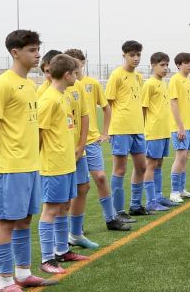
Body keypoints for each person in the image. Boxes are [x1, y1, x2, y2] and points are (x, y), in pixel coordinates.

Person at [0, 29, 54, 292]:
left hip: (31, 164)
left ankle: (23, 274)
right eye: (32, 50)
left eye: (37, 49)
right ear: (15, 52)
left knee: (25, 220)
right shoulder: (3, 85)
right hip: (9, 166)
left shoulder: (30, 85)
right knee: (6, 222)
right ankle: (4, 283)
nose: (37, 55)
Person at [35, 54, 84, 276]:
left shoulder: (63, 96)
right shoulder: (48, 99)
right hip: (53, 165)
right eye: (75, 72)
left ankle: (62, 250)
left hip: (68, 163)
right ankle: (47, 258)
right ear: (67, 75)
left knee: (64, 206)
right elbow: (38, 133)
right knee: (51, 210)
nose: (78, 76)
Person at [63, 49, 119, 243]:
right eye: (72, 62)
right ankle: (76, 227)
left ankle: (111, 218)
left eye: (79, 62)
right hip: (72, 142)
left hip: (91, 140)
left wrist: (105, 132)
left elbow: (106, 108)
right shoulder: (64, 87)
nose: (76, 66)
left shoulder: (92, 84)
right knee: (77, 187)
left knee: (100, 178)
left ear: (83, 64)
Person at [105, 41, 149, 215]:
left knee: (142, 167)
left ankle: (135, 206)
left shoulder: (138, 77)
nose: (135, 58)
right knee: (120, 170)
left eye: (138, 54)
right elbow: (108, 104)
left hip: (137, 129)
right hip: (121, 129)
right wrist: (108, 130)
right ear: (124, 55)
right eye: (132, 55)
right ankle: (117, 211)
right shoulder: (116, 75)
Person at [139, 52, 174, 211]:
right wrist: (143, 130)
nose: (165, 68)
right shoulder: (149, 84)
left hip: (164, 131)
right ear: (153, 66)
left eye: (167, 65)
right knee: (151, 164)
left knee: (159, 163)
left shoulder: (163, 83)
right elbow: (143, 109)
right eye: (162, 65)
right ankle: (150, 201)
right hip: (153, 131)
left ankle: (158, 196)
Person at [167, 52, 190, 204]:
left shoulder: (189, 79)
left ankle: (181, 189)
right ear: (178, 65)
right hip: (179, 126)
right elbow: (173, 104)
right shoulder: (175, 80)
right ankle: (174, 191)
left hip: (189, 125)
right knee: (180, 157)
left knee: (185, 157)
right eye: (186, 62)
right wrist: (180, 127)